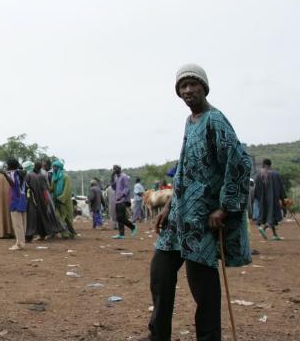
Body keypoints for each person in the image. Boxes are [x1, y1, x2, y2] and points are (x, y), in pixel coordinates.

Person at [146, 64, 252, 341]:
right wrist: (168, 207)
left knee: (202, 284)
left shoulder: (215, 120)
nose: (188, 90)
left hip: (203, 217)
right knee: (160, 272)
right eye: (183, 86)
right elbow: (184, 167)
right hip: (181, 214)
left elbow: (239, 163)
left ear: (205, 87)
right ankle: (158, 334)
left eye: (193, 84)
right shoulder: (190, 122)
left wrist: (225, 207)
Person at [253, 158, 287, 240]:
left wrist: (259, 199)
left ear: (264, 164)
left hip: (263, 201)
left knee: (270, 216)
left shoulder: (258, 175)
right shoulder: (275, 174)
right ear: (270, 165)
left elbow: (255, 190)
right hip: (273, 200)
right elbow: (281, 188)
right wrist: (283, 199)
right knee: (273, 215)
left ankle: (275, 235)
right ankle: (264, 228)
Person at [5, 158, 27, 250]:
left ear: (10, 166)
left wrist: (5, 175)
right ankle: (20, 241)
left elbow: (13, 184)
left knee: (17, 224)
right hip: (22, 199)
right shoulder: (21, 173)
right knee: (22, 223)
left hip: (15, 199)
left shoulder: (13, 173)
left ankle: (20, 244)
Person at [51, 159, 76, 238]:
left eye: (55, 167)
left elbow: (67, 190)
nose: (54, 168)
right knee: (58, 216)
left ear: (59, 167)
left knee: (67, 218)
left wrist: (61, 198)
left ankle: (71, 233)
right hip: (57, 201)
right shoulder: (54, 177)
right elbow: (52, 188)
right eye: (53, 167)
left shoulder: (66, 177)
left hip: (65, 201)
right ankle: (64, 233)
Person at [111, 165, 137, 239]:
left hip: (123, 199)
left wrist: (121, 196)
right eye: (113, 169)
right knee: (119, 217)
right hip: (117, 200)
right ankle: (121, 234)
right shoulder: (116, 177)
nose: (114, 170)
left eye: (115, 169)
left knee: (120, 217)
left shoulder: (124, 176)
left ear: (119, 169)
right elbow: (113, 187)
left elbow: (126, 188)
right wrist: (112, 177)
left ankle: (133, 227)